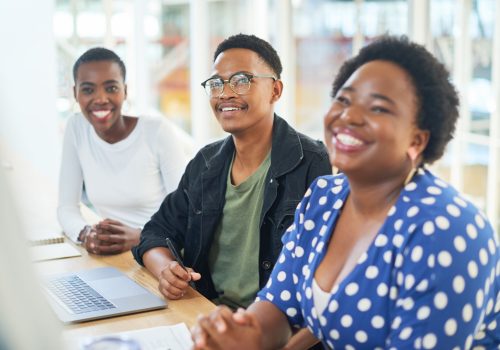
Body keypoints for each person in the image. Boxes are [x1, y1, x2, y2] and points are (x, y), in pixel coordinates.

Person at [191, 36, 500, 349]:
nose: (349, 117)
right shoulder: (323, 197)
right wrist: (239, 333)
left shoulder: (446, 230)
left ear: (417, 141)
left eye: (379, 108)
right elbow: (279, 305)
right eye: (344, 100)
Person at [132, 34, 331, 310]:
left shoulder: (313, 164)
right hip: (207, 313)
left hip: (273, 328)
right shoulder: (206, 163)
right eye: (216, 84)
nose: (225, 93)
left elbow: (324, 278)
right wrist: (165, 269)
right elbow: (156, 232)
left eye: (241, 80)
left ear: (275, 90)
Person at [58, 47, 189, 255]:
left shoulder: (156, 132)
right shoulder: (76, 128)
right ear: (75, 93)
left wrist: (140, 236)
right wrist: (86, 234)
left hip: (162, 253)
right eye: (88, 89)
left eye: (110, 88)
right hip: (115, 255)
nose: (100, 98)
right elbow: (66, 208)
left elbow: (187, 216)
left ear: (125, 91)